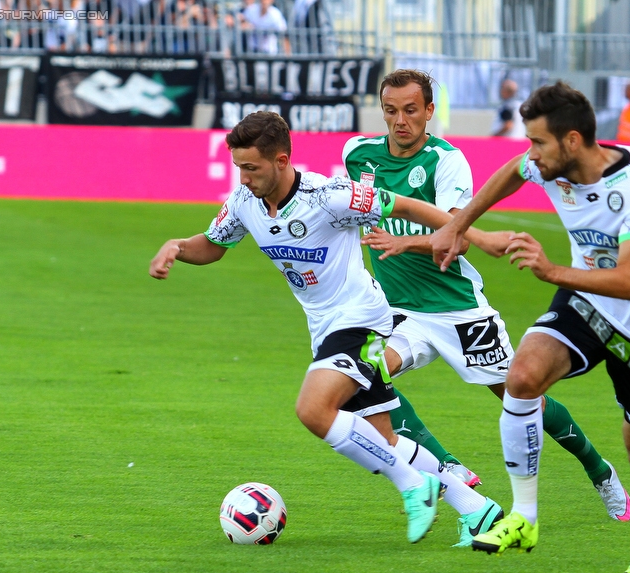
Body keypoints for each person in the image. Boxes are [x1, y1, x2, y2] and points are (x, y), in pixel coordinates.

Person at [149, 110, 505, 547]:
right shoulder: (244, 203)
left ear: (281, 161)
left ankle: (414, 486)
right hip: (325, 328)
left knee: (314, 410)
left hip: (363, 320)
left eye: (251, 168)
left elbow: (404, 205)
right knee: (382, 437)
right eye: (238, 167)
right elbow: (213, 246)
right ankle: (478, 511)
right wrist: (177, 248)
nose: (243, 177)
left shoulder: (329, 196)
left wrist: (471, 234)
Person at [343, 69, 630, 524]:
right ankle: (447, 465)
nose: (400, 120)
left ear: (429, 111)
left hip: (456, 309)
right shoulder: (357, 154)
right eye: (390, 110)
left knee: (524, 398)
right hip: (396, 310)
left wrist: (405, 242)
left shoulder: (447, 161)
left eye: (410, 110)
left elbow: (455, 237)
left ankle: (599, 471)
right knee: (363, 378)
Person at [431, 81, 630, 573]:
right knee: (521, 376)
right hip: (587, 305)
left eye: (538, 142)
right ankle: (524, 517)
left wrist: (550, 271)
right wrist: (459, 224)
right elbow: (510, 173)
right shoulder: (550, 165)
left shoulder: (628, 189)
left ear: (571, 141)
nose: (531, 154)